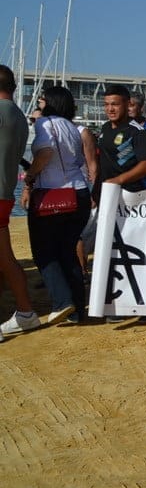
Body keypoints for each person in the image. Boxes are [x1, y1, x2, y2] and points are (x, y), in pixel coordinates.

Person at [20, 86, 92, 327]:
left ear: (50, 102)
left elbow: (46, 152)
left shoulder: (45, 123)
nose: (38, 103)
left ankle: (62, 302)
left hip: (53, 194)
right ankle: (76, 309)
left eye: (41, 100)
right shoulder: (72, 127)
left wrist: (30, 176)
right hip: (79, 192)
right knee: (67, 251)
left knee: (44, 252)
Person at [0, 65, 44, 339]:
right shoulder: (17, 114)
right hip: (5, 193)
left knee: (6, 259)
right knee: (5, 258)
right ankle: (26, 311)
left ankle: (26, 312)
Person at [94, 85, 146, 204]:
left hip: (128, 196)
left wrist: (118, 180)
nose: (110, 109)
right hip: (105, 192)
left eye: (115, 104)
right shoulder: (105, 127)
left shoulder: (138, 132)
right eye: (106, 104)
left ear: (127, 104)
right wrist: (96, 190)